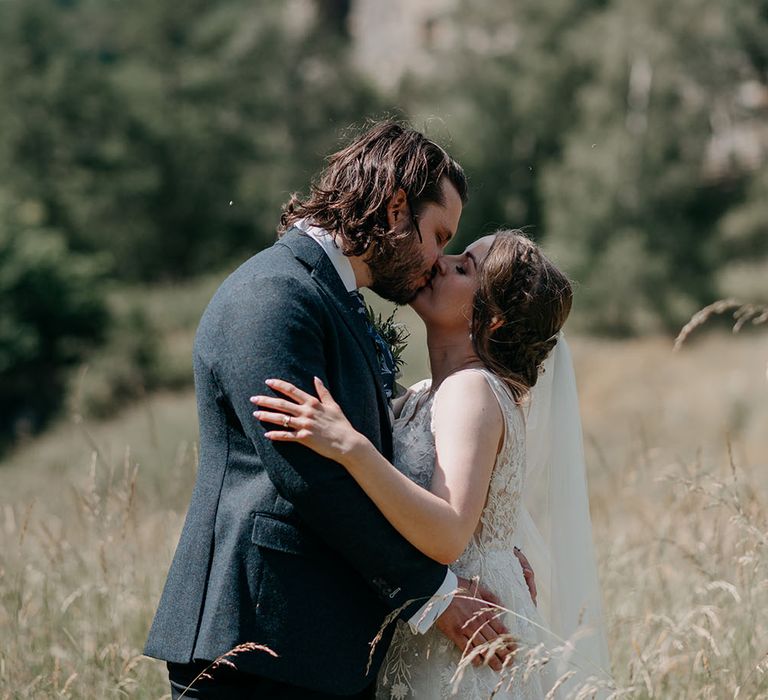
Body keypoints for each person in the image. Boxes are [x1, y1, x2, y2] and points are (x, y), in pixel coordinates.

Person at [144, 121, 523, 699]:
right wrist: (435, 594)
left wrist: (491, 549)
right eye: (439, 234)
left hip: (319, 648)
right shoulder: (274, 293)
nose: (437, 260)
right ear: (397, 208)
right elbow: (308, 475)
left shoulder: (332, 297)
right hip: (255, 642)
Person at [251, 230, 612, 698]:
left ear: (495, 320)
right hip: (436, 626)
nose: (441, 261)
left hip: (458, 646)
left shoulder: (472, 391)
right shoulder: (432, 394)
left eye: (465, 268)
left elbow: (448, 534)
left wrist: (350, 446)